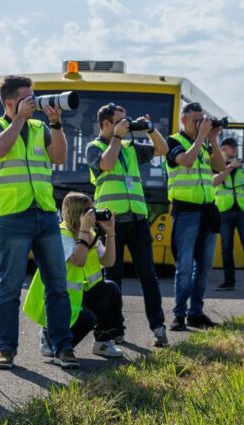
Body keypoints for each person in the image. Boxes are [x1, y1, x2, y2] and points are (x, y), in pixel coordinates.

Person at [0, 75, 77, 370]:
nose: (34, 102)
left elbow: (59, 157)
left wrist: (56, 124)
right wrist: (19, 121)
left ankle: (63, 348)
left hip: (46, 213)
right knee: (10, 286)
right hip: (13, 216)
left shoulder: (40, 127)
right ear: (10, 102)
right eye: (28, 97)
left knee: (57, 286)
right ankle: (6, 350)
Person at [85, 103, 168, 347]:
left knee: (148, 277)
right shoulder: (94, 147)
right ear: (106, 124)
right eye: (120, 121)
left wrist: (150, 129)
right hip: (111, 223)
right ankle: (115, 329)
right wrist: (119, 137)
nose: (126, 124)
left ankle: (158, 326)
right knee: (113, 278)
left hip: (138, 220)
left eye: (127, 120)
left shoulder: (131, 148)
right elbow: (106, 164)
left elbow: (162, 150)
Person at [23, 192, 125, 358]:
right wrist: (84, 230)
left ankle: (102, 342)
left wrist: (110, 233)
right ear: (79, 214)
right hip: (58, 299)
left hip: (76, 296)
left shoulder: (89, 234)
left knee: (110, 289)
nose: (93, 215)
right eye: (89, 212)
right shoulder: (61, 235)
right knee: (87, 318)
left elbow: (108, 261)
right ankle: (52, 339)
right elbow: (78, 260)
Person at [165, 102, 226, 332]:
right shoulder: (174, 142)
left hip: (208, 210)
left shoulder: (204, 144)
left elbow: (220, 167)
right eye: (196, 119)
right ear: (184, 120)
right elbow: (186, 161)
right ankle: (179, 315)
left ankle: (196, 312)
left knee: (203, 267)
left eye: (203, 119)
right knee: (184, 265)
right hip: (186, 211)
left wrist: (212, 140)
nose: (200, 123)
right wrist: (201, 136)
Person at [213, 137, 244, 293]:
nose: (234, 149)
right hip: (224, 211)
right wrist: (228, 168)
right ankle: (229, 282)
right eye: (231, 147)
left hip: (243, 211)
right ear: (222, 149)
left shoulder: (243, 166)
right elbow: (213, 182)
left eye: (235, 147)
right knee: (226, 248)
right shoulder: (216, 165)